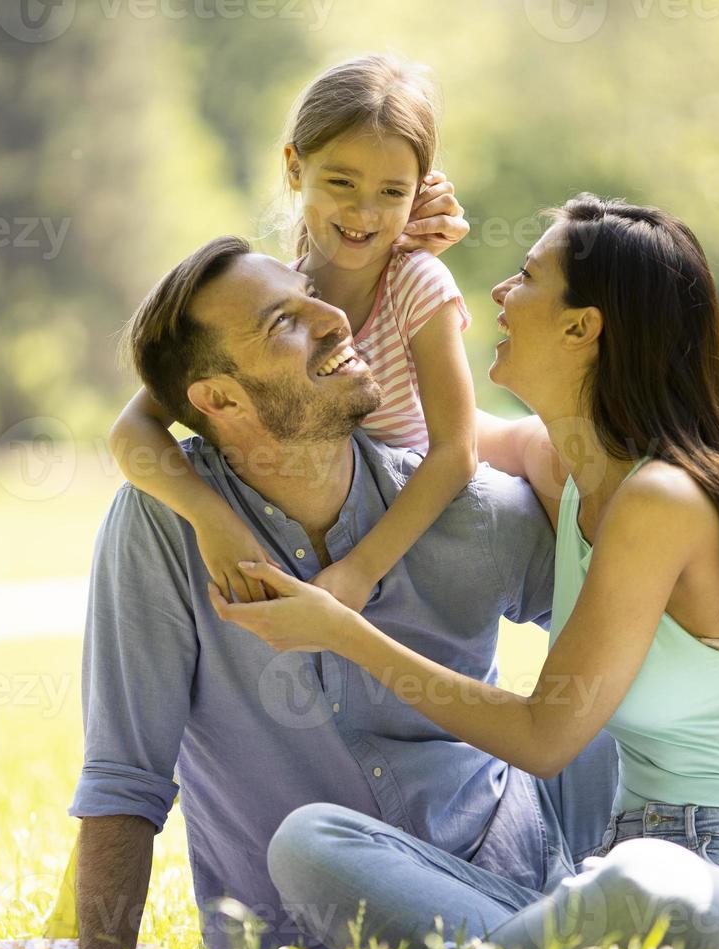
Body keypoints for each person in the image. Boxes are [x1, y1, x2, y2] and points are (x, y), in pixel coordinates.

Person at [62, 231, 719, 949]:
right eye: (289, 321)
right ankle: (668, 937)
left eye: (314, 294)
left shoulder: (472, 505)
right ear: (219, 401)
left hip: (541, 858)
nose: (340, 317)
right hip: (328, 904)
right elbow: (122, 780)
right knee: (311, 835)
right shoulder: (163, 526)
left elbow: (672, 605)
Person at [107, 54, 478, 615]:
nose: (364, 211)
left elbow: (456, 451)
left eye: (391, 192)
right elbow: (133, 429)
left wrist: (360, 571)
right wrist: (213, 520)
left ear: (420, 191)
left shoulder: (418, 284)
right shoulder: (277, 295)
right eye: (341, 181)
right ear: (295, 168)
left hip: (390, 520)